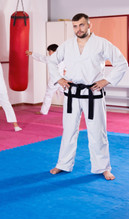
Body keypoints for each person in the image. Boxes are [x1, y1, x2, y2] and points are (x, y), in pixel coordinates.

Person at [48, 13, 128, 181]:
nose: (78, 29)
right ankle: (63, 164)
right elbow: (51, 61)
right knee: (69, 130)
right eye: (75, 26)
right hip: (72, 94)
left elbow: (121, 63)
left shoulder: (101, 43)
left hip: (93, 94)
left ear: (89, 25)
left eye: (82, 25)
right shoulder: (67, 45)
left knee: (98, 131)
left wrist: (107, 80)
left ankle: (103, 167)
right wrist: (59, 78)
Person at [26, 44, 65, 115]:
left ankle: (44, 111)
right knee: (68, 95)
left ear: (53, 51)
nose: (49, 53)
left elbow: (42, 58)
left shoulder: (51, 58)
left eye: (49, 51)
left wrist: (32, 54)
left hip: (54, 81)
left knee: (48, 95)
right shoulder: (63, 58)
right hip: (63, 80)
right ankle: (71, 112)